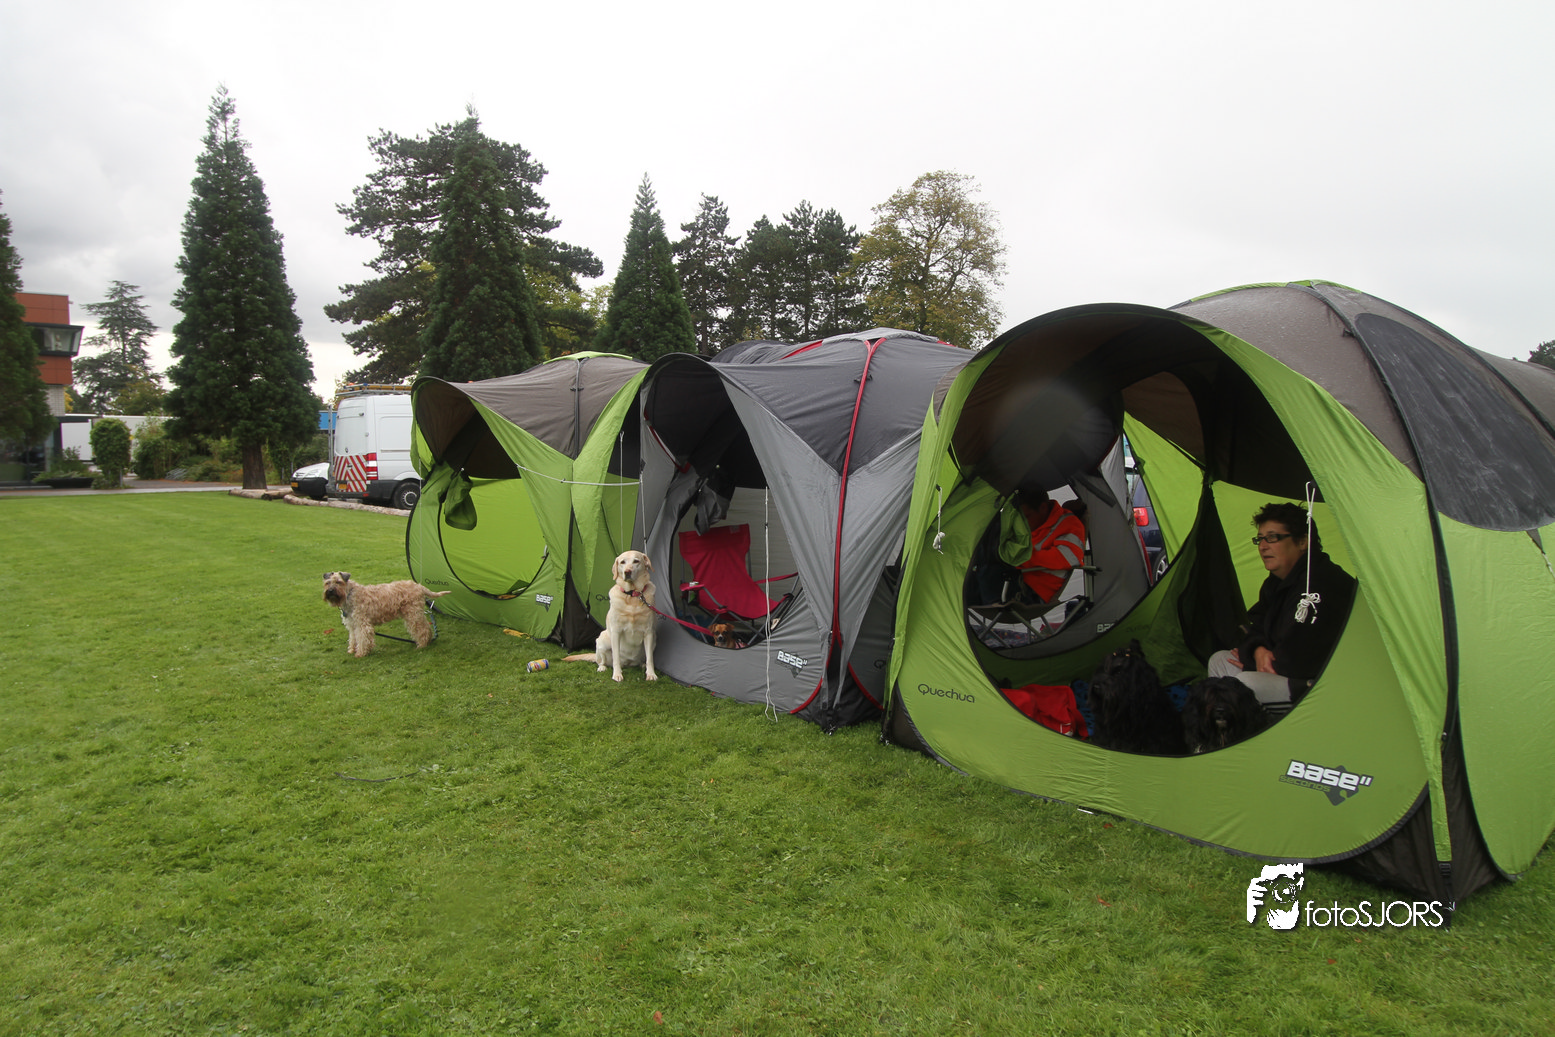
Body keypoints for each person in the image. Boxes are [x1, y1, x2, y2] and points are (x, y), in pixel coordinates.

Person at [1208, 502, 1356, 708]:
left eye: (1272, 537)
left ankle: (1262, 726)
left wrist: (1252, 661)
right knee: (1219, 661)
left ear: (1303, 541)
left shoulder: (1319, 585)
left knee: (1245, 683)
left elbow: (1296, 661)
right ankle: (1233, 726)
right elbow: (1253, 628)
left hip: (1320, 685)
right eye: (1260, 539)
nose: (1263, 546)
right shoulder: (1276, 582)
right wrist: (1257, 650)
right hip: (1279, 670)